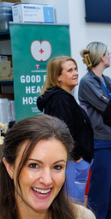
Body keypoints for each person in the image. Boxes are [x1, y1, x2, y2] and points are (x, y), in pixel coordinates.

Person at [77, 42, 111, 219]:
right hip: (101, 140)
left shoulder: (107, 80)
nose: (109, 56)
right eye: (107, 53)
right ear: (101, 57)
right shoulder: (87, 82)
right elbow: (109, 106)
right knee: (100, 189)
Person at [37, 56, 94, 204]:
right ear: (58, 77)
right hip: (71, 162)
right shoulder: (60, 100)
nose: (75, 73)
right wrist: (78, 157)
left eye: (75, 69)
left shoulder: (64, 97)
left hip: (74, 161)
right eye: (70, 70)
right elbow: (63, 133)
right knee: (73, 205)